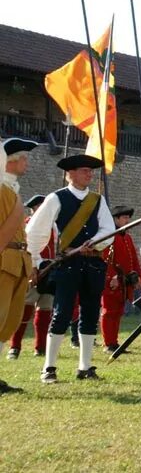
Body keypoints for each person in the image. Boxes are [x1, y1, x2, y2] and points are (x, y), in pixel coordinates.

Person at [26, 153, 116, 383]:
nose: (89, 174)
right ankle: (49, 367)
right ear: (71, 174)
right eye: (85, 170)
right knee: (62, 313)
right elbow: (37, 230)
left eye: (90, 171)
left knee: (90, 313)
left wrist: (95, 243)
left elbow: (108, 229)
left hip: (93, 263)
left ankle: (85, 367)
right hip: (67, 263)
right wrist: (36, 260)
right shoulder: (56, 198)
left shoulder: (98, 200)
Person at [0, 138, 37, 393]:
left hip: (16, 262)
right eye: (23, 158)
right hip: (4, 262)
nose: (27, 162)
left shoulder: (11, 189)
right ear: (10, 161)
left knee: (8, 322)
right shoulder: (2, 190)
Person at [7, 194, 54, 360]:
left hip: (50, 271)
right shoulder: (27, 225)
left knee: (45, 311)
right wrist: (37, 265)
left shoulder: (53, 226)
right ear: (34, 209)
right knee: (24, 311)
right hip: (32, 270)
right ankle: (15, 346)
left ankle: (40, 347)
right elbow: (28, 248)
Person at [99, 206, 140, 353]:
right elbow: (105, 259)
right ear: (116, 219)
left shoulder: (126, 237)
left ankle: (114, 342)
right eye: (124, 218)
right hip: (112, 281)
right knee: (109, 312)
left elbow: (133, 259)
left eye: (128, 218)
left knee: (118, 312)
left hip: (125, 280)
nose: (127, 220)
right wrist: (112, 277)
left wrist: (137, 277)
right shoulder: (109, 237)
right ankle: (108, 343)